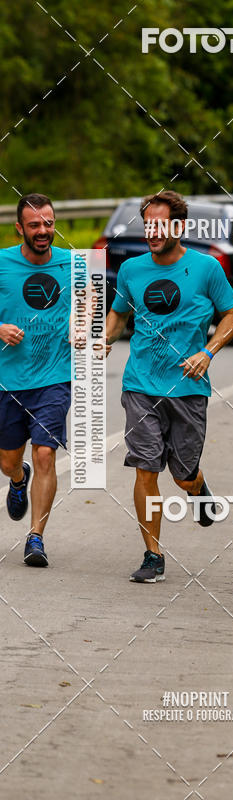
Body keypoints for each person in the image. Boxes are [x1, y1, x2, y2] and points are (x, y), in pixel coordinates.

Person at [105, 190, 233, 582]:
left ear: (180, 227)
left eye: (160, 224)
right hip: (140, 384)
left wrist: (209, 351)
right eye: (147, 224)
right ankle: (153, 555)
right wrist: (105, 339)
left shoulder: (207, 268)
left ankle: (197, 490)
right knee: (145, 468)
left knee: (182, 474)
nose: (152, 231)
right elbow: (118, 317)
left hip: (188, 387)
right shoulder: (132, 270)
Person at [0, 194, 72, 567]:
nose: (43, 231)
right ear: (20, 228)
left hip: (54, 378)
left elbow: (91, 307)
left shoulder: (73, 264)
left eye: (48, 223)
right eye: (35, 225)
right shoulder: (2, 263)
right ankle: (16, 479)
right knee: (8, 459)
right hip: (8, 380)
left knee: (45, 453)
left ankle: (36, 537)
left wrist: (88, 333)